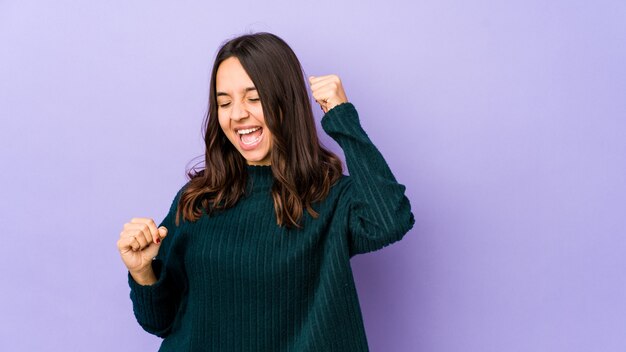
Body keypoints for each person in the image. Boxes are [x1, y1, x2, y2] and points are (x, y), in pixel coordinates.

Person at [117, 32, 414, 352]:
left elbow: (390, 220)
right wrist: (142, 270)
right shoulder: (198, 199)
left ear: (286, 101)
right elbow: (160, 322)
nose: (238, 114)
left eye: (253, 97)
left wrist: (340, 115)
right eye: (224, 102)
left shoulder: (329, 198)